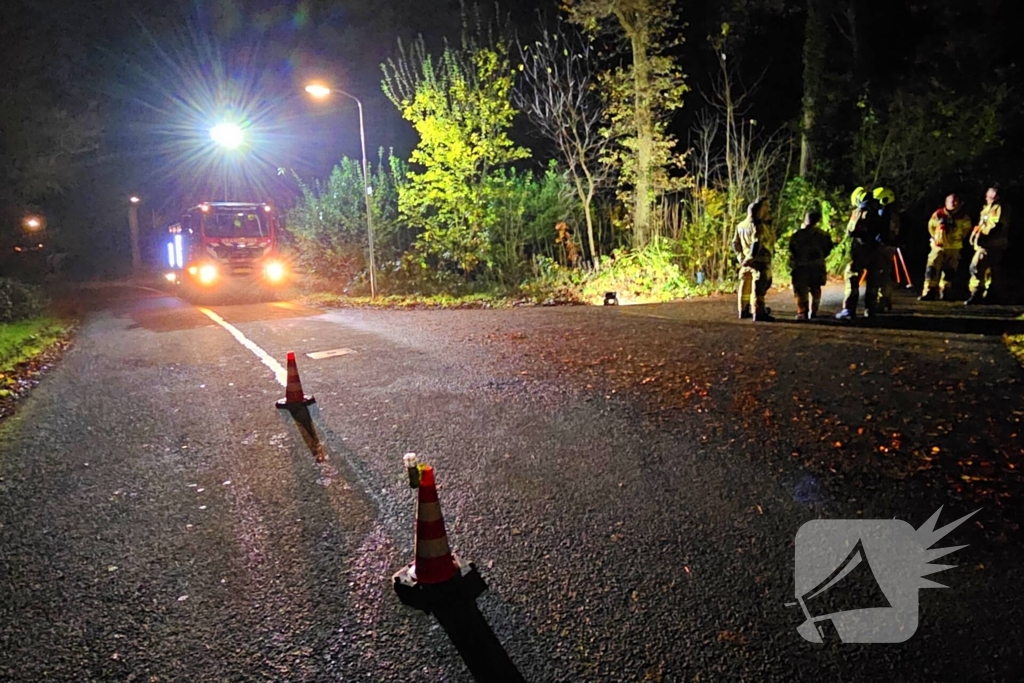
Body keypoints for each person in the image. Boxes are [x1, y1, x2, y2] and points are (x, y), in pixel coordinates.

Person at [836, 187, 884, 321]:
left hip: (860, 249)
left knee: (852, 277)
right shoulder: (879, 211)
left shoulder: (861, 211)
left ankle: (849, 309)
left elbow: (852, 231)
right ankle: (871, 309)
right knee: (873, 280)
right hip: (876, 249)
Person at [920, 193, 971, 301]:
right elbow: (931, 227)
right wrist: (937, 238)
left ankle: (945, 291)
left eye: (956, 201)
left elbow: (966, 231)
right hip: (939, 247)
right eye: (952, 201)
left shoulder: (963, 217)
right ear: (946, 203)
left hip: (954, 247)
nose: (954, 204)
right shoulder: (938, 214)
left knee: (950, 271)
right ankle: (929, 291)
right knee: (932, 268)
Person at [732, 197, 775, 322]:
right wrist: (751, 257)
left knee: (745, 286)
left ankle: (743, 310)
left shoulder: (740, 225)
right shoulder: (758, 226)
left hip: (745, 263)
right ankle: (758, 311)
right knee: (759, 288)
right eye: (765, 207)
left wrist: (741, 258)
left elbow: (735, 243)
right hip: (759, 262)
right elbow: (757, 242)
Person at [967, 185, 1011, 305]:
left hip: (993, 244)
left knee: (978, 265)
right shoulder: (986, 208)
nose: (986, 197)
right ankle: (985, 293)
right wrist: (975, 235)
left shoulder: (999, 208)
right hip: (985, 244)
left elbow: (997, 225)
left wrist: (983, 236)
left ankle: (980, 292)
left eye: (989, 194)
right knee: (987, 269)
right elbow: (982, 224)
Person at [788, 210, 834, 320]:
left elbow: (792, 249)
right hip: (817, 265)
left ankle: (802, 311)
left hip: (801, 265)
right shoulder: (823, 235)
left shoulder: (797, 235)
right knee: (816, 288)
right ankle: (814, 310)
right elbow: (828, 249)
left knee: (801, 289)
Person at [873, 187, 901, 312]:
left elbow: (879, 231)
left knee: (880, 275)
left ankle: (882, 301)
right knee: (886, 273)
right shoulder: (894, 214)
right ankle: (886, 299)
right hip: (891, 246)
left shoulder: (883, 213)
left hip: (882, 246)